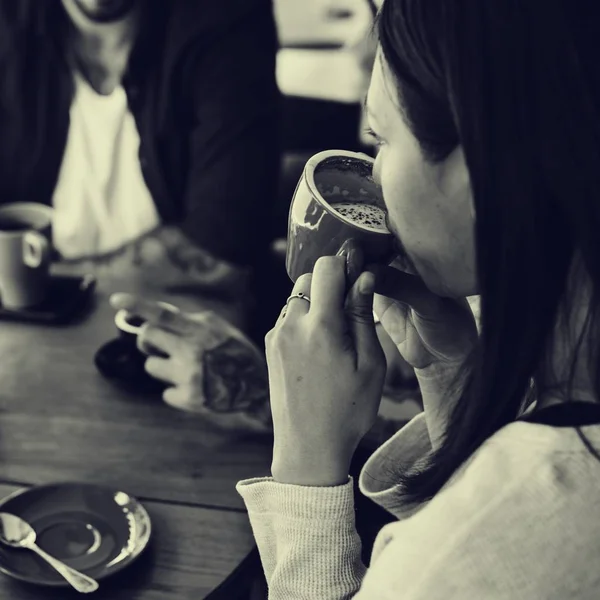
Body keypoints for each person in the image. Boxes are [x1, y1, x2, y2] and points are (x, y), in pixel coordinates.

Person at [235, 0, 600, 597]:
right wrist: (456, 374)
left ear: (485, 169)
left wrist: (305, 471)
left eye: (381, 139)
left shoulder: (505, 527)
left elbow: (468, 551)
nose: (374, 177)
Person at [0, 0, 280, 422]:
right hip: (27, 349)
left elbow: (223, 249)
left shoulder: (228, 18)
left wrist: (43, 286)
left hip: (184, 352)